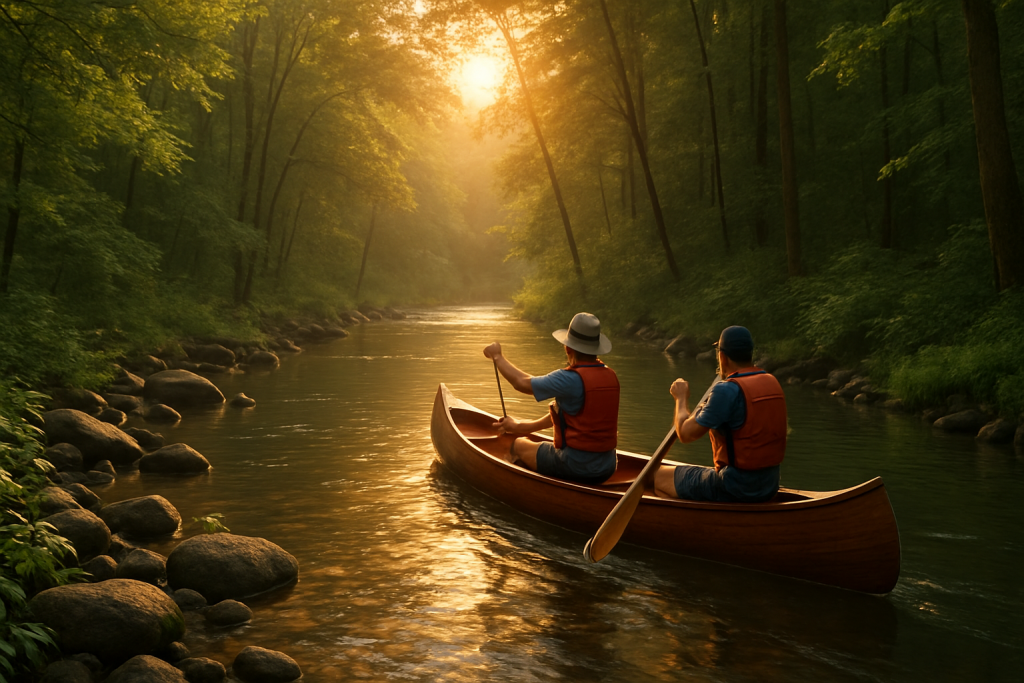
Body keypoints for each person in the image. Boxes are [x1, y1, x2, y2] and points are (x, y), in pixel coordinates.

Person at [482, 312, 619, 485]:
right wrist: (517, 426)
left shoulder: (568, 379)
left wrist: (497, 357)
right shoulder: (610, 376)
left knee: (518, 445)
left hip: (576, 466)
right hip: (607, 467)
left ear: (567, 348)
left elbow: (521, 383)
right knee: (526, 440)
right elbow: (558, 416)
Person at [653, 325, 787, 502]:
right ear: (750, 353)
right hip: (769, 485)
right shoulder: (771, 381)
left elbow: (685, 434)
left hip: (734, 487)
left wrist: (681, 398)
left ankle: (702, 523)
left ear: (722, 356)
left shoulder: (726, 390)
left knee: (658, 477)